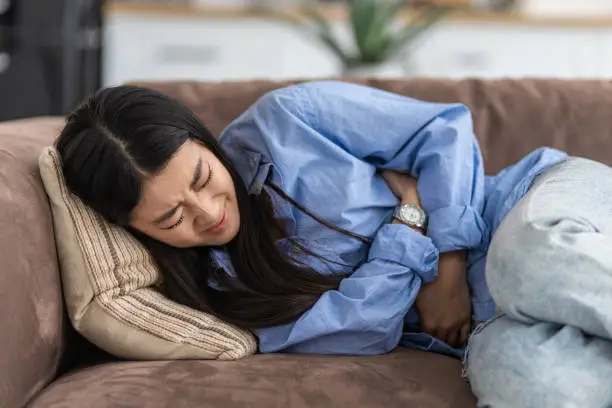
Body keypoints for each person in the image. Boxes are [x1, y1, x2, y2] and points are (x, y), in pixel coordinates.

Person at [55, 80, 612, 407]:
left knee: (527, 260)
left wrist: (448, 262)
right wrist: (408, 221)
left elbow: (443, 131)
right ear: (137, 230)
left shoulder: (289, 121)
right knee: (536, 380)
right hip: (480, 333)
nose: (207, 213)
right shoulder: (223, 296)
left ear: (201, 138)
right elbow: (358, 329)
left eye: (201, 178)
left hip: (532, 207)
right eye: (171, 216)